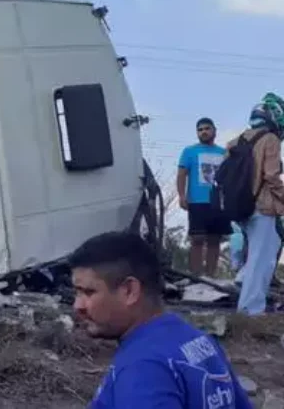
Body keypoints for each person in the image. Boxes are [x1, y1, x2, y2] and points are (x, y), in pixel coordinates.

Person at [69, 231, 251, 408]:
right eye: (77, 293)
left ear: (129, 291)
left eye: (88, 292)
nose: (78, 306)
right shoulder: (199, 340)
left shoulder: (143, 368)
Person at [227, 94, 284, 315]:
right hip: (262, 206)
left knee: (254, 255)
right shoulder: (270, 140)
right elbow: (271, 176)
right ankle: (251, 310)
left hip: (239, 206)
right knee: (263, 259)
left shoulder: (236, 141)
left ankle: (242, 279)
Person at [177, 117, 230, 277]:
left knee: (215, 239)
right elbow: (182, 174)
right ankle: (195, 276)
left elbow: (229, 177)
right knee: (197, 238)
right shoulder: (189, 151)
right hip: (197, 201)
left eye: (207, 128)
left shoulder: (223, 153)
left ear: (214, 131)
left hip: (218, 201)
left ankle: (210, 276)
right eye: (200, 130)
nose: (204, 132)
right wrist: (181, 195)